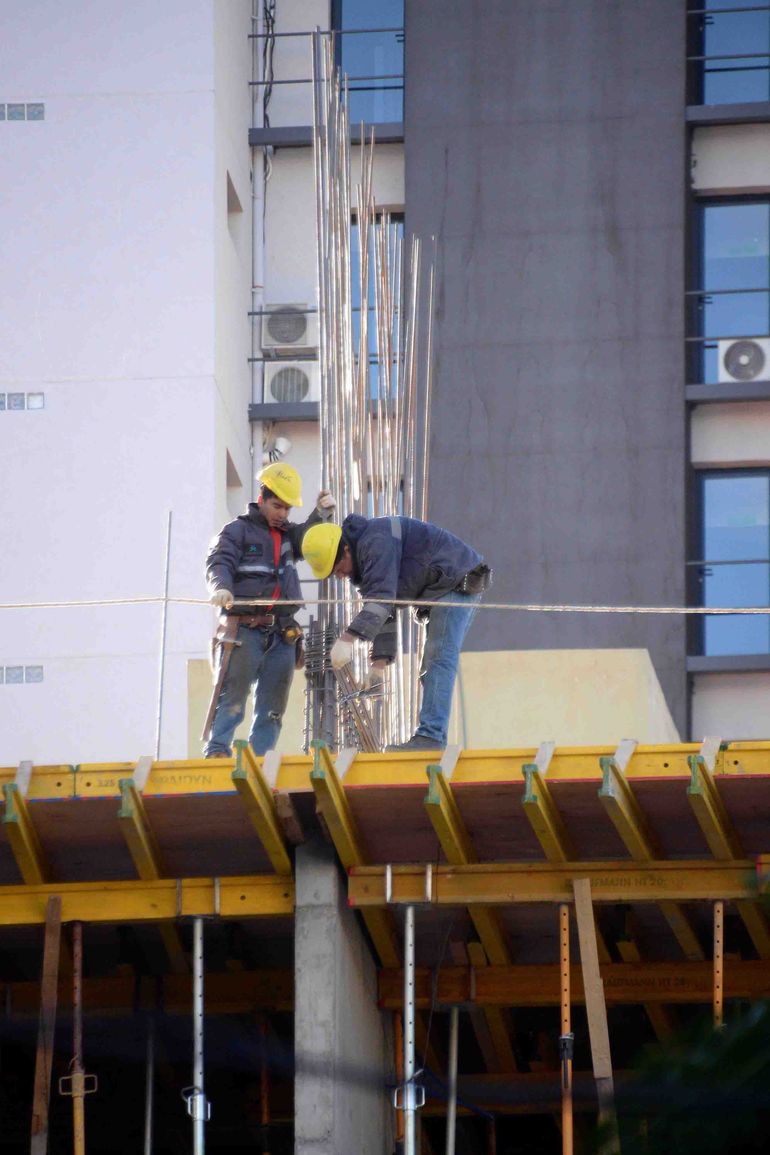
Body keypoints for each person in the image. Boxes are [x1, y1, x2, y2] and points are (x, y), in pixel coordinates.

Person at [302, 514, 491, 751]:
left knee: (438, 660)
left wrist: (347, 638)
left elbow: (382, 600)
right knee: (432, 666)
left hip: (455, 581)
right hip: (447, 584)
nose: (340, 576)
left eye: (338, 568)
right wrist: (378, 667)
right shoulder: (364, 561)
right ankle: (432, 736)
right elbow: (385, 610)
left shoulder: (375, 542)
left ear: (346, 550)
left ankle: (431, 738)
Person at [203, 463, 335, 757]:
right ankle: (217, 750)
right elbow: (219, 561)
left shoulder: (288, 535)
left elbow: (309, 539)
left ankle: (261, 758)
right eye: (277, 506)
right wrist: (220, 587)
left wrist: (321, 514)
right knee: (233, 695)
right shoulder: (237, 531)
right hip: (246, 628)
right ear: (261, 500)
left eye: (287, 509)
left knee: (273, 706)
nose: (283, 514)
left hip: (282, 633)